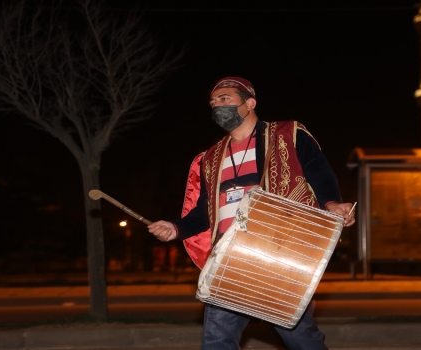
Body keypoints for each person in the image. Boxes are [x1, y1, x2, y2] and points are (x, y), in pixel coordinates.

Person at [148, 76, 355, 350]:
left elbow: (318, 171)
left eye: (224, 99)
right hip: (231, 258)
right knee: (217, 340)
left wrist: (331, 204)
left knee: (300, 338)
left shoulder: (287, 133)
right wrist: (176, 228)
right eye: (212, 102)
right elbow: (204, 212)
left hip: (280, 252)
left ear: (250, 103)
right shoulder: (210, 157)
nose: (217, 106)